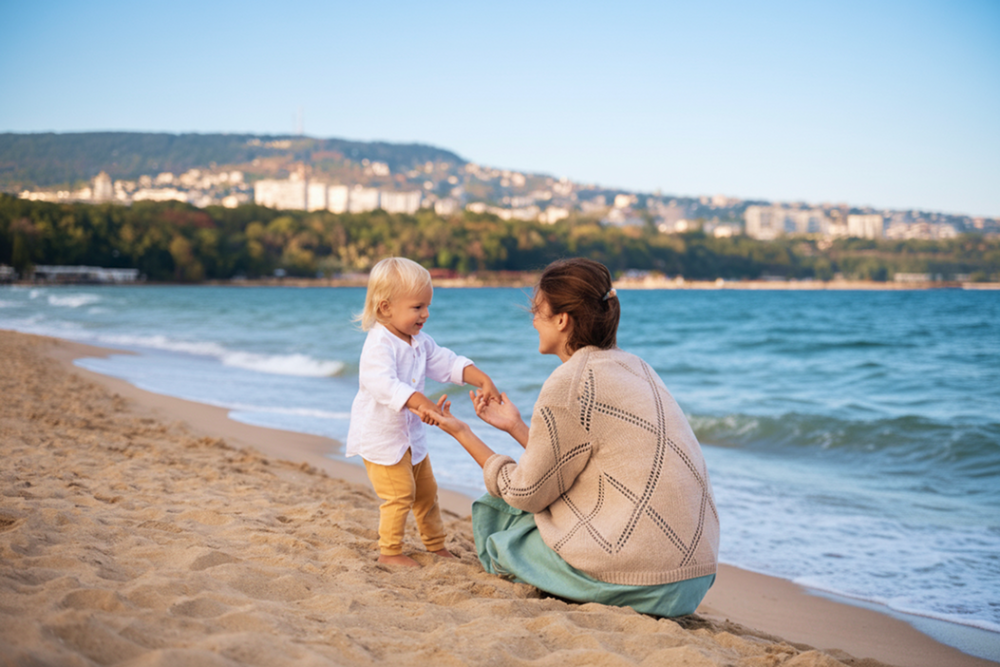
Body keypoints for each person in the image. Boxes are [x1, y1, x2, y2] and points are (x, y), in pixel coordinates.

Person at [421, 258, 719, 615]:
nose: (532, 320)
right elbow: (572, 464)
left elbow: (526, 493)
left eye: (537, 310)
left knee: (499, 518)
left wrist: (462, 432)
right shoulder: (637, 366)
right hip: (694, 577)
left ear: (562, 320)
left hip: (645, 580)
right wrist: (516, 426)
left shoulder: (570, 382)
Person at [347, 257, 500, 567]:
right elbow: (382, 385)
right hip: (382, 440)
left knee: (427, 494)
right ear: (386, 307)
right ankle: (389, 552)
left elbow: (446, 362)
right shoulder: (379, 345)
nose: (426, 314)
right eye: (417, 307)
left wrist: (482, 378)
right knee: (400, 495)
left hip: (412, 440)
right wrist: (421, 403)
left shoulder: (419, 341)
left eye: (427, 306)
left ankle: (435, 545)